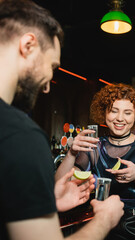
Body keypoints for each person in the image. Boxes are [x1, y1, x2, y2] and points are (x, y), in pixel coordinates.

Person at [0, 0, 124, 239]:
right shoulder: (20, 135)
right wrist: (104, 220)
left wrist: (48, 201)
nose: (47, 86)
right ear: (28, 46)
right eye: (52, 65)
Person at [55, 83, 135, 240]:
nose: (120, 118)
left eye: (127, 113)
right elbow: (60, 185)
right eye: (114, 111)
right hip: (110, 226)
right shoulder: (95, 146)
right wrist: (72, 153)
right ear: (104, 112)